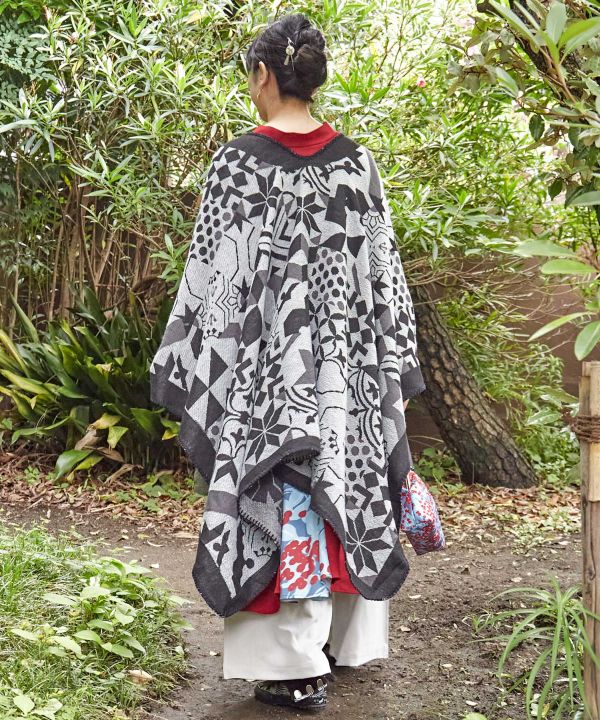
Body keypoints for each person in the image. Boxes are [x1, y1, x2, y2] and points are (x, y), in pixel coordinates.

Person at [149, 12, 426, 712]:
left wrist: (208, 363)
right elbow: (384, 281)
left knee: (279, 489)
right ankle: (340, 643)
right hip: (345, 377)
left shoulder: (237, 164)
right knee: (343, 476)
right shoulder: (357, 164)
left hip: (260, 382)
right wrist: (381, 368)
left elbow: (211, 281)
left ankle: (293, 665)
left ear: (264, 74)